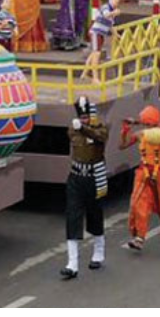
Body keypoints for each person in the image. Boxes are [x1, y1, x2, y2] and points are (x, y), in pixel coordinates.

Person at [61, 98, 109, 280]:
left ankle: (99, 252)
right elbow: (74, 135)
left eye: (87, 117)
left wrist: (85, 129)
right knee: (72, 216)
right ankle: (72, 264)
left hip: (95, 176)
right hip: (76, 176)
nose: (83, 120)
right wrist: (81, 129)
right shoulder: (74, 128)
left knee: (95, 213)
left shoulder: (100, 128)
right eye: (81, 117)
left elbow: (101, 137)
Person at [120, 105, 160, 251]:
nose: (146, 126)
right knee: (139, 203)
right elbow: (122, 145)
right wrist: (125, 130)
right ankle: (139, 237)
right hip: (143, 172)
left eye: (148, 123)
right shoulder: (140, 134)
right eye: (144, 123)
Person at [83, 0, 122, 83]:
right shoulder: (106, 7)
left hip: (101, 34)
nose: (117, 1)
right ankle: (95, 77)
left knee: (93, 54)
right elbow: (106, 15)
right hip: (96, 32)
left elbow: (111, 25)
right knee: (96, 54)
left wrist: (116, 34)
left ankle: (85, 74)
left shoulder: (112, 10)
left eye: (118, 0)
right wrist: (114, 13)